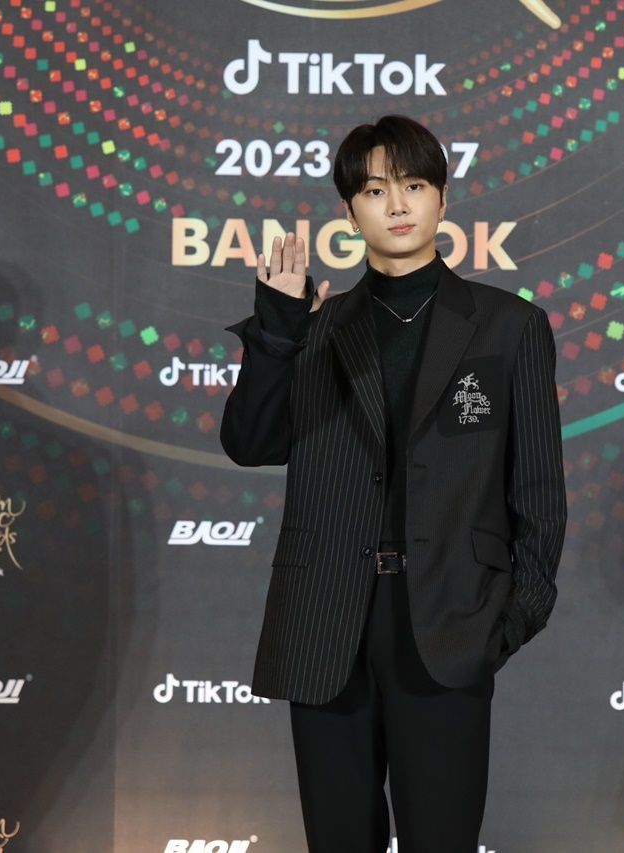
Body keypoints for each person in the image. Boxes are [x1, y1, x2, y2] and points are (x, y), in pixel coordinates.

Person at [220, 114, 567, 853]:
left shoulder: (509, 326)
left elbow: (538, 490)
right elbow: (249, 444)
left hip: (448, 622)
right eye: (375, 191)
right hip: (325, 624)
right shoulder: (316, 329)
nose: (398, 205)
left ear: (442, 198)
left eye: (413, 185)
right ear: (350, 213)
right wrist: (277, 329)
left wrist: (510, 620)